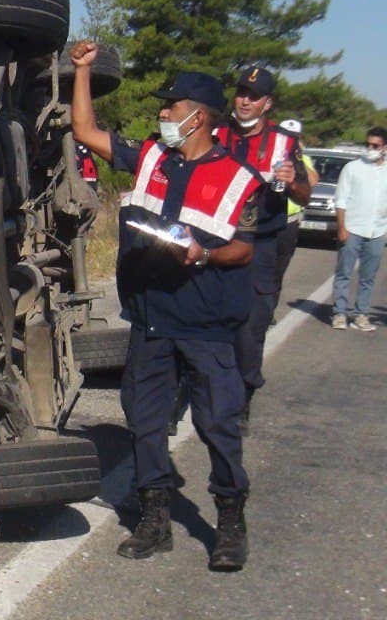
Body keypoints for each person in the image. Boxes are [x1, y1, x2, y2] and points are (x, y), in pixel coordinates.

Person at [70, 41, 263, 571]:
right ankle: (155, 517)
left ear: (197, 117)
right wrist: (82, 71)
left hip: (206, 325)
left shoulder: (241, 179)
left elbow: (246, 246)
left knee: (218, 424)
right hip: (151, 320)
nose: (161, 113)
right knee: (145, 421)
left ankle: (229, 521)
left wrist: (204, 254)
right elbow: (85, 131)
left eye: (170, 107)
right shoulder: (153, 154)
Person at [212, 67, 311, 431]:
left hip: (261, 242)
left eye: (254, 96)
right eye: (241, 93)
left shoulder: (284, 142)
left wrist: (292, 181)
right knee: (201, 317)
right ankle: (189, 390)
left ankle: (243, 397)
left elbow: (304, 193)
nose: (245, 101)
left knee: (250, 326)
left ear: (267, 103)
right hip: (215, 237)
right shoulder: (216, 132)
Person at [330, 127, 387, 330]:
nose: (370, 148)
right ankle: (340, 313)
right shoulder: (352, 168)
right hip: (353, 228)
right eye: (368, 144)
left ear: (385, 148)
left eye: (375, 146)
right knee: (344, 272)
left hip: (378, 231)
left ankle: (361, 313)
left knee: (368, 276)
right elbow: (341, 200)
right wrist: (342, 227)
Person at [273, 119, 320, 311]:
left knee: (278, 269)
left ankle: (269, 309)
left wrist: (298, 156)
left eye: (294, 137)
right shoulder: (272, 153)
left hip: (289, 222)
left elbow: (313, 181)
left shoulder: (303, 158)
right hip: (269, 217)